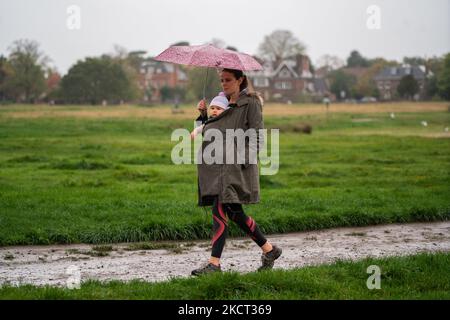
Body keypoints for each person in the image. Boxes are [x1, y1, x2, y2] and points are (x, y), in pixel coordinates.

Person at [191, 68, 282, 276]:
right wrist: (203, 115)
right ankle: (270, 250)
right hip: (218, 166)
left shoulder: (251, 103)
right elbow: (210, 131)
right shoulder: (222, 102)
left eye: (228, 80)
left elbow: (258, 137)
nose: (223, 83)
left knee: (219, 211)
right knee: (234, 213)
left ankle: (214, 264)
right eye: (221, 80)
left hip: (235, 168)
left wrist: (243, 160)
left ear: (240, 80)